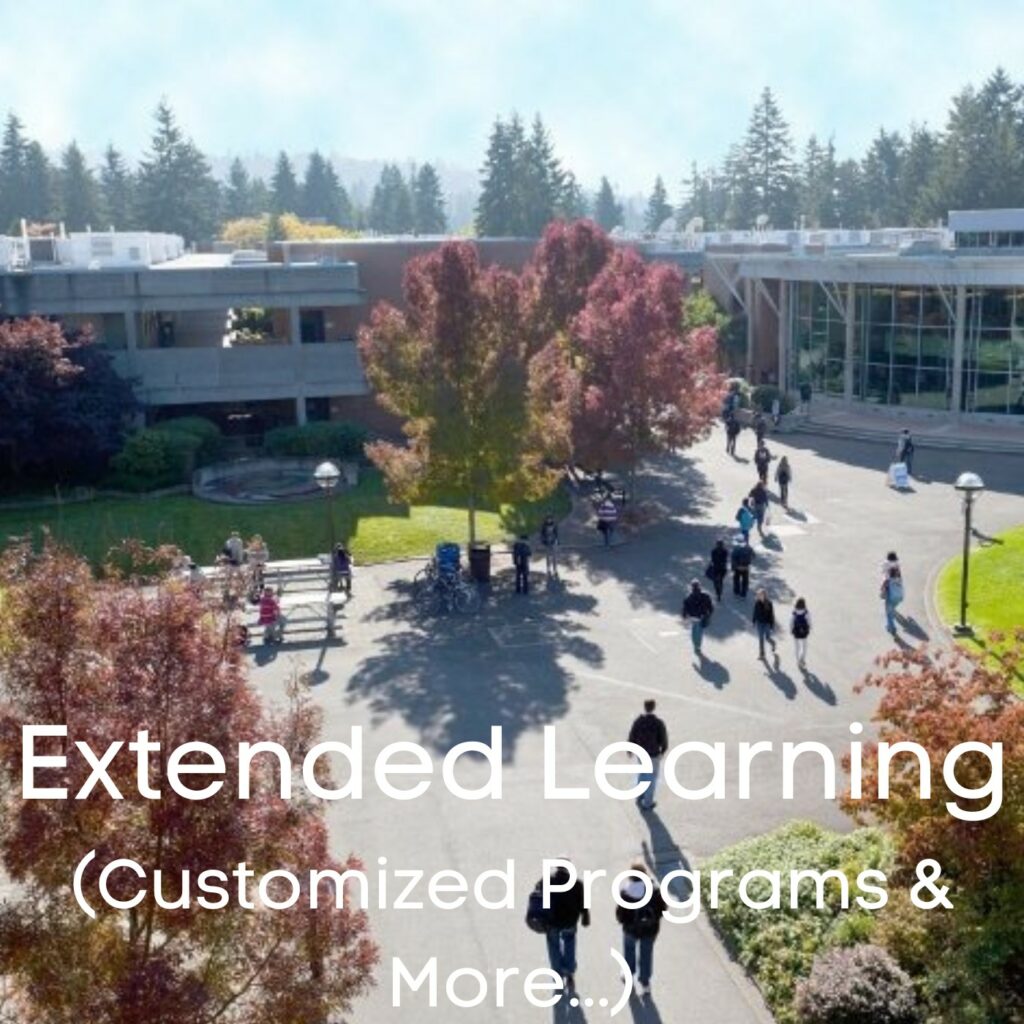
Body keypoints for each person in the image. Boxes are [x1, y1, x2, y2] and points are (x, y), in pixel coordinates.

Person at [616, 863, 667, 996]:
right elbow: (663, 909)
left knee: (629, 951)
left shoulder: (626, 892)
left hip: (630, 929)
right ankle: (645, 983)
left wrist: (623, 922)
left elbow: (620, 914)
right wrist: (654, 920)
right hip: (649, 930)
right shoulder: (655, 890)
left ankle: (628, 976)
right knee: (646, 954)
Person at [542, 861, 590, 991]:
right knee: (569, 944)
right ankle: (569, 973)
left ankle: (557, 975)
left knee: (554, 947)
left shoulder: (547, 881)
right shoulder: (577, 883)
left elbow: (538, 897)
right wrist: (585, 917)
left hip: (552, 922)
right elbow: (583, 903)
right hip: (570, 921)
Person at [627, 700, 668, 812]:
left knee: (642, 774)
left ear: (644, 707)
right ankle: (648, 803)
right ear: (654, 707)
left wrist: (630, 750)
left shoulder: (639, 721)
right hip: (653, 754)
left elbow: (632, 734)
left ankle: (639, 796)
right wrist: (663, 750)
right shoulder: (658, 722)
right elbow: (663, 738)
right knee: (651, 778)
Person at [681, 579, 714, 658]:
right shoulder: (705, 595)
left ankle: (696, 645)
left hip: (693, 617)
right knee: (699, 632)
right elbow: (710, 607)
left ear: (692, 587)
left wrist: (684, 616)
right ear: (699, 586)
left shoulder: (689, 597)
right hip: (702, 616)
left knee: (694, 631)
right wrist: (709, 615)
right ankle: (697, 645)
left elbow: (685, 608)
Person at [880, 551, 904, 635]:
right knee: (892, 607)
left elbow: (885, 581)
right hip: (899, 595)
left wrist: (882, 589)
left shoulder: (887, 569)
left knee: (888, 612)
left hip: (891, 594)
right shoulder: (897, 570)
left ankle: (891, 627)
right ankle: (893, 611)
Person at [752, 589, 777, 660]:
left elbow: (771, 615)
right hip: (759, 624)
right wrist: (753, 621)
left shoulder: (769, 603)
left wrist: (772, 625)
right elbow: (755, 612)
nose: (758, 596)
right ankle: (762, 654)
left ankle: (773, 643)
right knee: (761, 639)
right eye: (758, 595)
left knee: (767, 638)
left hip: (767, 624)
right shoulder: (757, 603)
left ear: (764, 595)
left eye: (760, 595)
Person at [791, 597, 811, 669]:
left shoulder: (794, 611)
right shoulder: (806, 612)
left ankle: (798, 661)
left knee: (797, 647)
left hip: (796, 631)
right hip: (804, 631)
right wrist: (809, 628)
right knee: (804, 646)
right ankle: (802, 659)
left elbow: (791, 621)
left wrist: (791, 629)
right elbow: (809, 621)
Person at [540, 513, 560, 578]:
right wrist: (543, 541)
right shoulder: (544, 526)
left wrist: (557, 541)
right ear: (546, 520)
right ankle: (548, 569)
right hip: (547, 543)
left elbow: (556, 534)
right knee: (548, 557)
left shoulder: (554, 525)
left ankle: (555, 570)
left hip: (553, 542)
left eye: (550, 519)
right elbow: (542, 535)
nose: (549, 520)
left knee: (554, 557)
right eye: (548, 519)